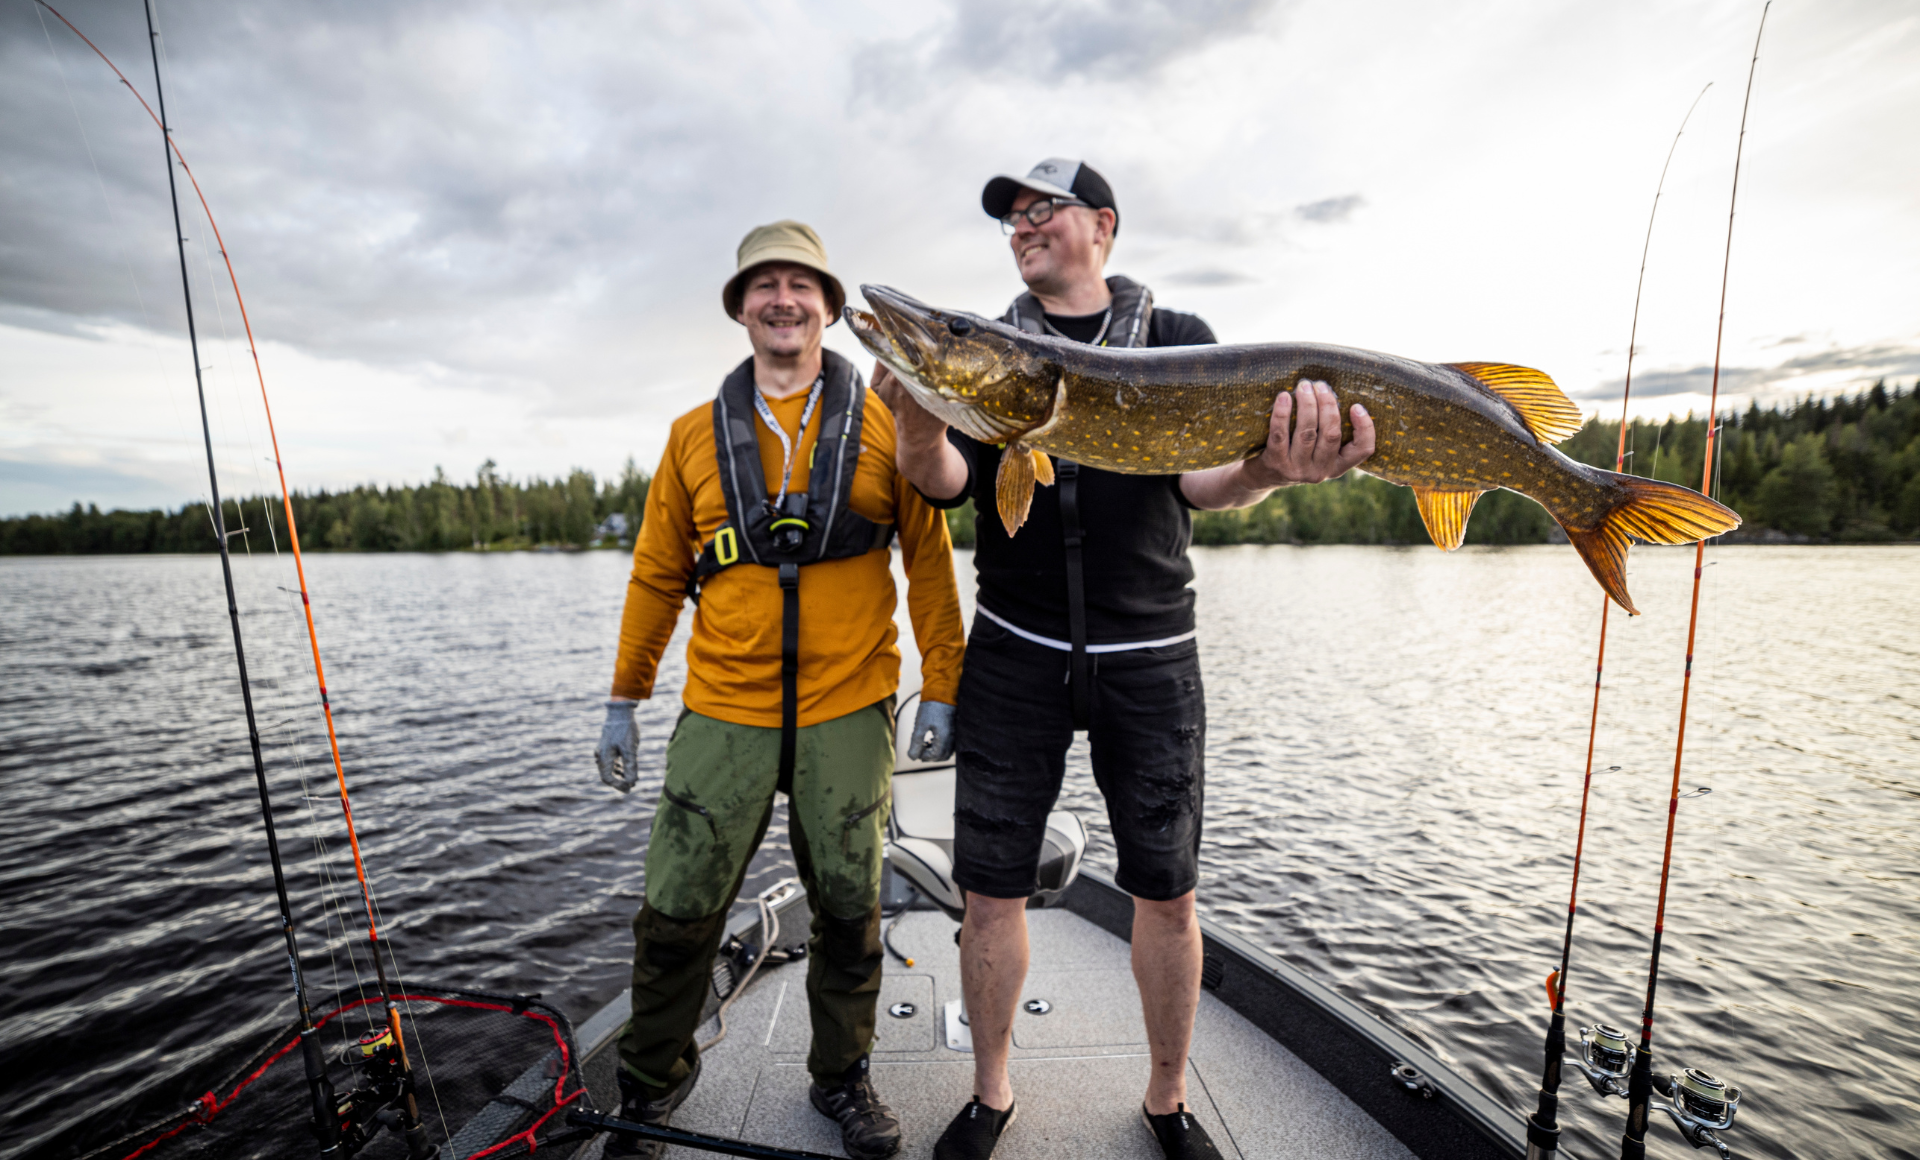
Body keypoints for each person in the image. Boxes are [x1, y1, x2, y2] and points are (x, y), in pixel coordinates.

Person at [873, 160, 1375, 1160]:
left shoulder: (1177, 342)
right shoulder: (990, 352)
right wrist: (919, 418)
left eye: (1043, 208)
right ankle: (991, 1091)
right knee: (990, 888)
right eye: (1012, 214)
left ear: (1102, 225)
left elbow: (1209, 482)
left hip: (1150, 650)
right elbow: (945, 477)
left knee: (1167, 889)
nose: (1023, 224)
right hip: (1016, 649)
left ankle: (1167, 1098)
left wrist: (1275, 465)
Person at [594, 220, 967, 1160]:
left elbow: (928, 563)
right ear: (742, 310)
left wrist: (945, 687)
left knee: (849, 907)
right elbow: (652, 575)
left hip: (851, 705)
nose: (783, 299)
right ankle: (649, 1089)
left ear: (831, 308)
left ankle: (841, 1076)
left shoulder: (893, 421)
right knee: (676, 913)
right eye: (765, 285)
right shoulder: (690, 438)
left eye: (802, 283)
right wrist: (622, 699)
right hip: (723, 709)